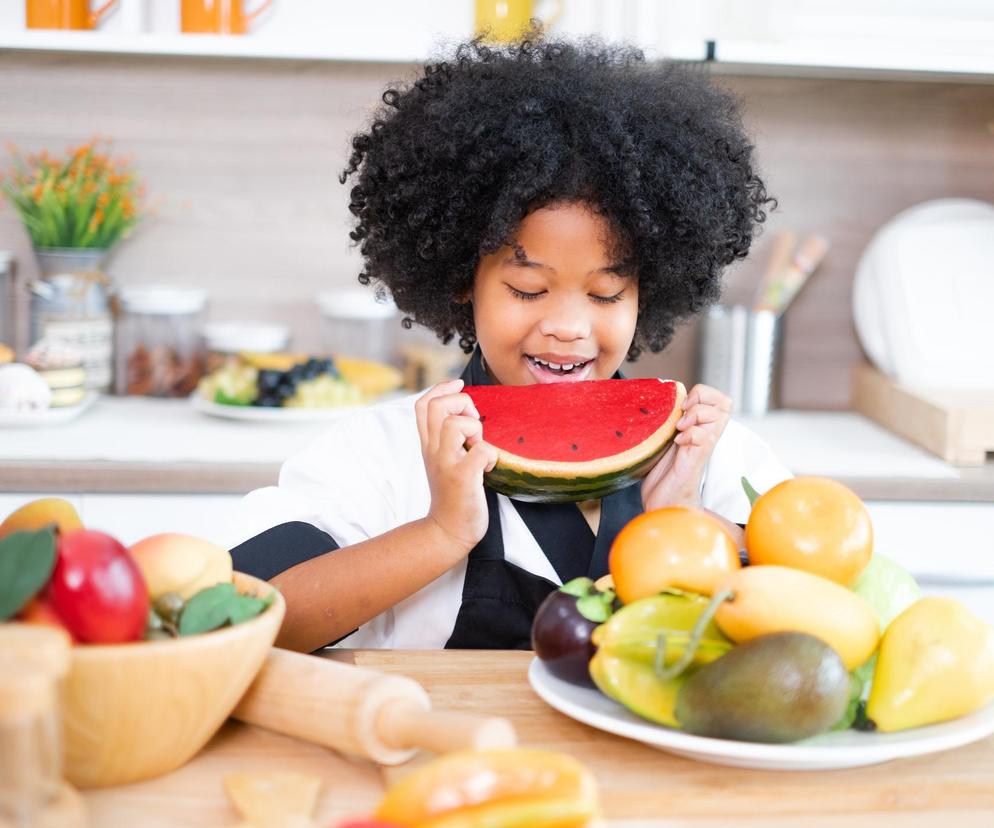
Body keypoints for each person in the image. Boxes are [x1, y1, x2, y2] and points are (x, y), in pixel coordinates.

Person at [229, 36, 791, 654]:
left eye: (606, 295)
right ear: (460, 281)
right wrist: (440, 532)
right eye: (527, 288)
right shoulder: (380, 454)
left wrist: (691, 523)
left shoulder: (710, 454)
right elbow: (247, 620)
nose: (569, 326)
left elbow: (816, 626)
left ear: (647, 293)